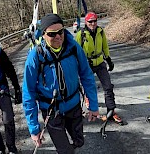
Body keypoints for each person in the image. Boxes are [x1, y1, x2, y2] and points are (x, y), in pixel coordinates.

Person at [23, 13, 99, 154]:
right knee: (65, 151)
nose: (58, 36)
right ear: (43, 35)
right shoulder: (35, 57)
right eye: (52, 34)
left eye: (61, 31)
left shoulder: (73, 48)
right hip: (52, 112)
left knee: (79, 141)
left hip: (74, 106)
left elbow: (87, 76)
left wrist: (93, 105)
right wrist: (34, 128)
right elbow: (28, 93)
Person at [75, 11, 123, 124]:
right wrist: (79, 64)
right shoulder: (81, 34)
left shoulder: (100, 32)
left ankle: (111, 111)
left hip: (100, 63)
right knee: (89, 88)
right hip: (87, 64)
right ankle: (90, 104)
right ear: (86, 22)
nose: (93, 23)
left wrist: (109, 59)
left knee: (108, 87)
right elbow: (76, 51)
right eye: (90, 21)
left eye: (95, 21)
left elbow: (105, 46)